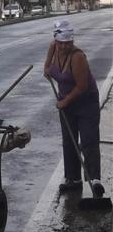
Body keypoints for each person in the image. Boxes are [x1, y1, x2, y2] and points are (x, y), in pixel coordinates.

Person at [44, 20, 104, 196]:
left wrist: (65, 101)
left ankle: (95, 181)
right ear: (56, 41)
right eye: (61, 43)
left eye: (68, 43)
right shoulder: (53, 47)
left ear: (72, 41)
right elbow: (47, 67)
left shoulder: (77, 57)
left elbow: (82, 86)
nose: (64, 47)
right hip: (66, 103)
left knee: (88, 140)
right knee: (69, 141)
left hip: (86, 102)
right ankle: (73, 179)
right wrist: (47, 71)